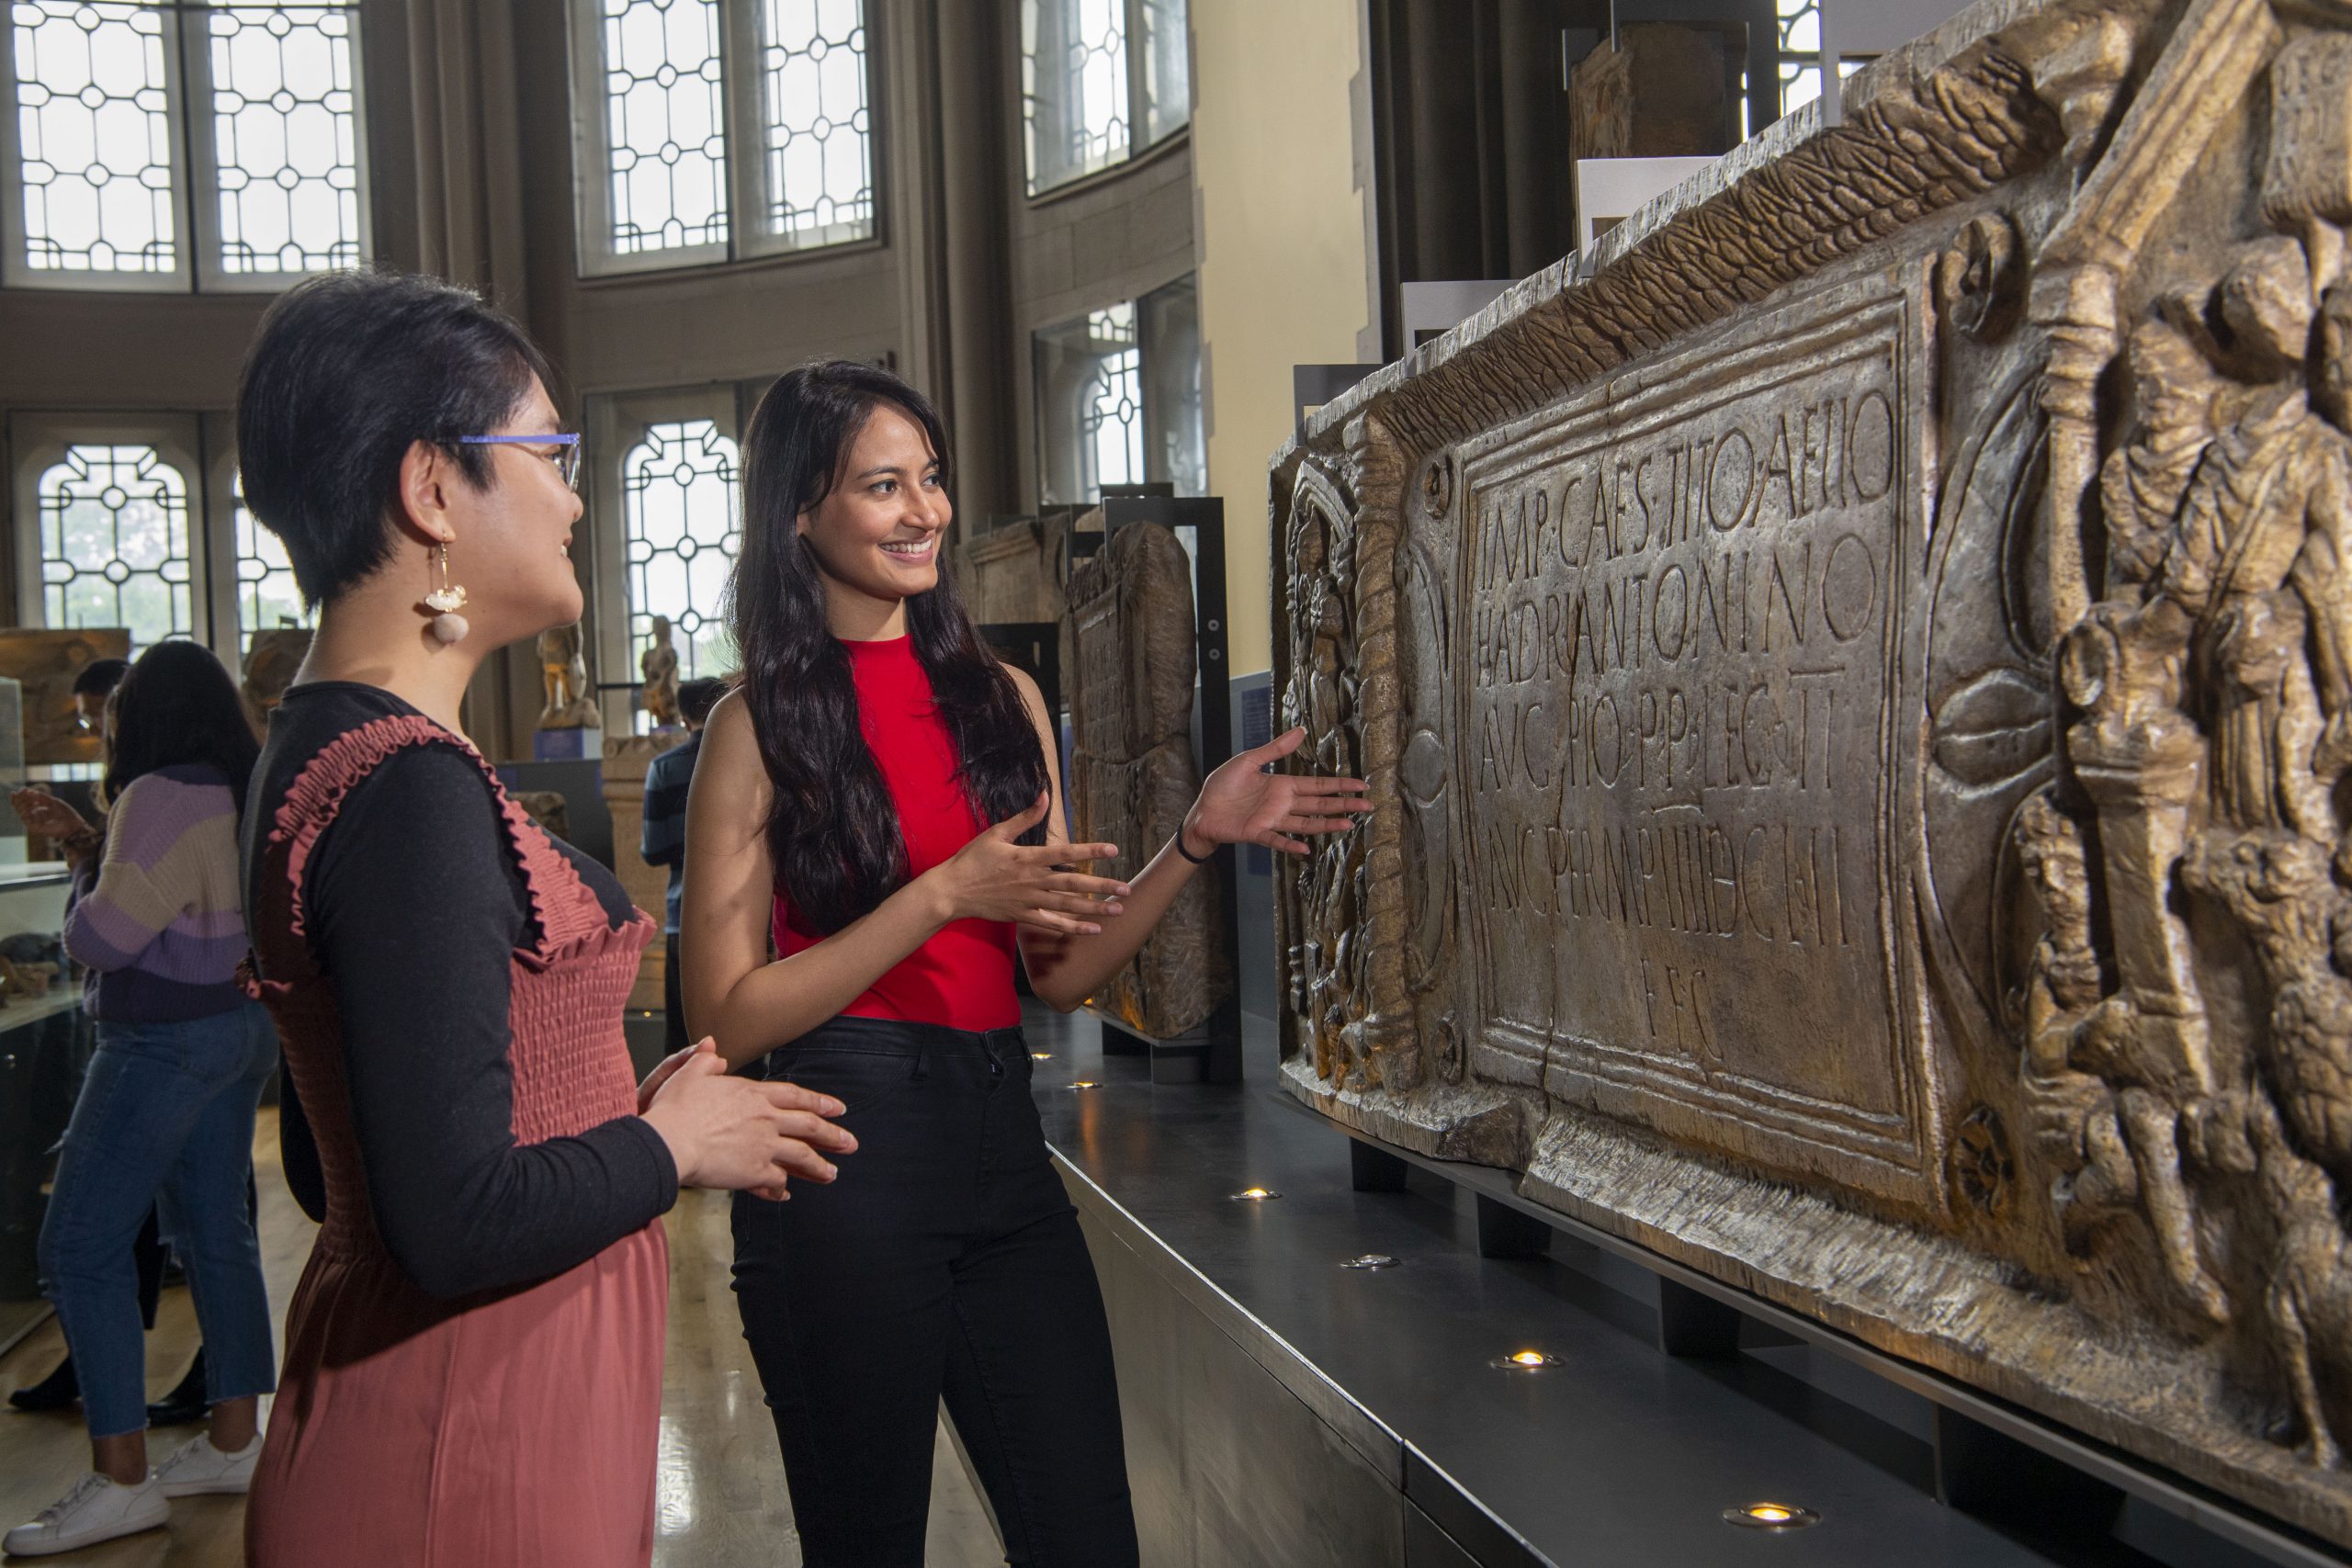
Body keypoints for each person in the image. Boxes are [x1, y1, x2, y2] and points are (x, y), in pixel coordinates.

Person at [684, 360, 1372, 1566]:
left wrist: (1194, 837)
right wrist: (940, 896)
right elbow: (729, 1021)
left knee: (1088, 1541)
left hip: (1002, 1155)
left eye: (932, 480)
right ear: (801, 512)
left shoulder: (1000, 694)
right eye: (883, 485)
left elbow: (1055, 970)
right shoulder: (754, 727)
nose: (924, 511)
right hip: (840, 1164)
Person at [229, 270, 856, 1567]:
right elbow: (450, 1214)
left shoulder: (337, 742)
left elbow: (330, 1160)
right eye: (549, 452)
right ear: (430, 487)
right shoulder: (404, 786)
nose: (575, 495)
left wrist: (611, 1113)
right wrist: (666, 1142)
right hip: (459, 1448)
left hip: (474, 1408)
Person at [4, 641, 282, 1557]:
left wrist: (89, 870)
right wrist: (93, 841)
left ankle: (123, 1480)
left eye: (113, 710)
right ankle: (236, 1439)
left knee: (78, 1244)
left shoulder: (156, 797)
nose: (105, 724)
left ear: (143, 713)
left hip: (163, 1039)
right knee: (215, 1232)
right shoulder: (243, 787)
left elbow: (104, 940)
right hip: (237, 1032)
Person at [642, 675, 728, 1056]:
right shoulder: (751, 759)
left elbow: (653, 850)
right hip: (749, 916)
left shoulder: (664, 769)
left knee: (684, 1036)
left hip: (684, 912)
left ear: (682, 717)